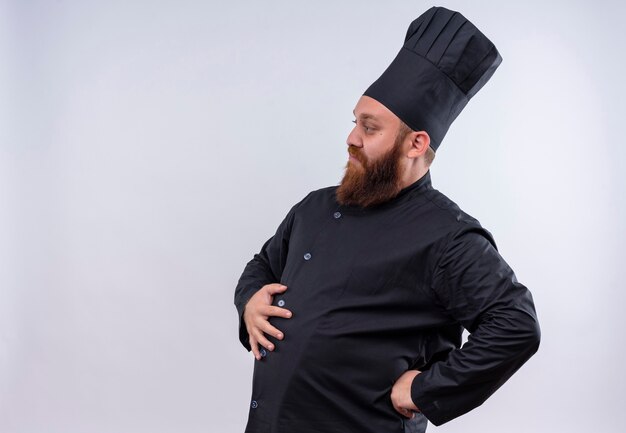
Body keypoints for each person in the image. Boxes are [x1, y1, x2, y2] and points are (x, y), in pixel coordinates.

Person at [234, 6, 540, 433]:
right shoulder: (315, 207)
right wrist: (249, 300)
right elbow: (262, 264)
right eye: (354, 122)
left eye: (370, 128)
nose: (352, 138)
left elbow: (516, 325)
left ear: (415, 143)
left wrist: (425, 390)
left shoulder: (448, 236)